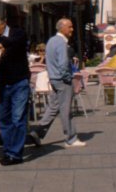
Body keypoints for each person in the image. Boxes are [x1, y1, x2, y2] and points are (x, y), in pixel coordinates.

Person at [30, 19, 87, 148]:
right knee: (66, 110)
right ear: (62, 28)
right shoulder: (61, 43)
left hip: (54, 79)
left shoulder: (51, 41)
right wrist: (67, 78)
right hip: (62, 80)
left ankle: (38, 132)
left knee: (53, 107)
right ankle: (71, 138)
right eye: (70, 27)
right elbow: (63, 64)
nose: (72, 29)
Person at [0, 15, 30, 166]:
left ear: (2, 24)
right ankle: (8, 150)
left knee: (18, 118)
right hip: (4, 84)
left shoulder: (17, 33)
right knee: (3, 119)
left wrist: (2, 45)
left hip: (19, 82)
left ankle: (15, 154)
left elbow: (16, 42)